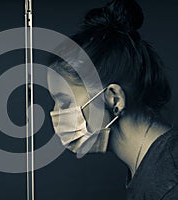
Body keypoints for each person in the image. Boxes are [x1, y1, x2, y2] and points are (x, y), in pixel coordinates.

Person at [47, 0, 178, 199]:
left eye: (65, 102)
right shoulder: (146, 166)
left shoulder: (169, 178)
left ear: (114, 99)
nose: (57, 115)